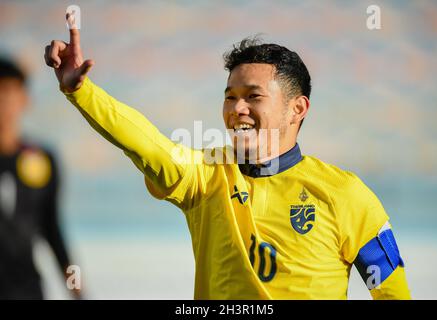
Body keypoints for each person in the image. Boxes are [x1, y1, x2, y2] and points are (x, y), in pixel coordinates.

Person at [43, 17, 411, 299]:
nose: (237, 109)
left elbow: (392, 292)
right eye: (229, 96)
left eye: (253, 96)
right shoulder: (205, 177)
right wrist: (82, 92)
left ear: (296, 108)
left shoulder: (345, 194)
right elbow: (146, 145)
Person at [0, 57, 79, 299]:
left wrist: (77, 290)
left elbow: (52, 229)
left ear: (25, 99)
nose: (3, 102)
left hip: (26, 290)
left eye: (8, 92)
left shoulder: (42, 160)